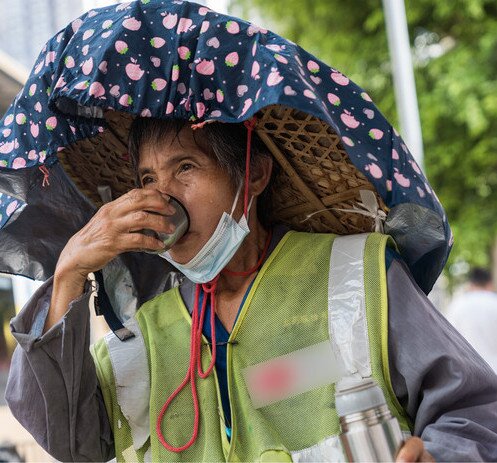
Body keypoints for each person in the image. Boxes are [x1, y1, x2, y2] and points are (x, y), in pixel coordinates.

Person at [5, 118, 497, 463]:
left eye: (186, 169)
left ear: (253, 175)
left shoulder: (354, 273)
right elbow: (74, 443)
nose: (162, 198)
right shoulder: (143, 332)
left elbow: (473, 410)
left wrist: (437, 456)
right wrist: (69, 273)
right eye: (148, 178)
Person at [446, 267, 497, 373]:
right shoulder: (494, 302)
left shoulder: (457, 305)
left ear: (471, 284)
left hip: (469, 375)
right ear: (490, 283)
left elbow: (448, 342)